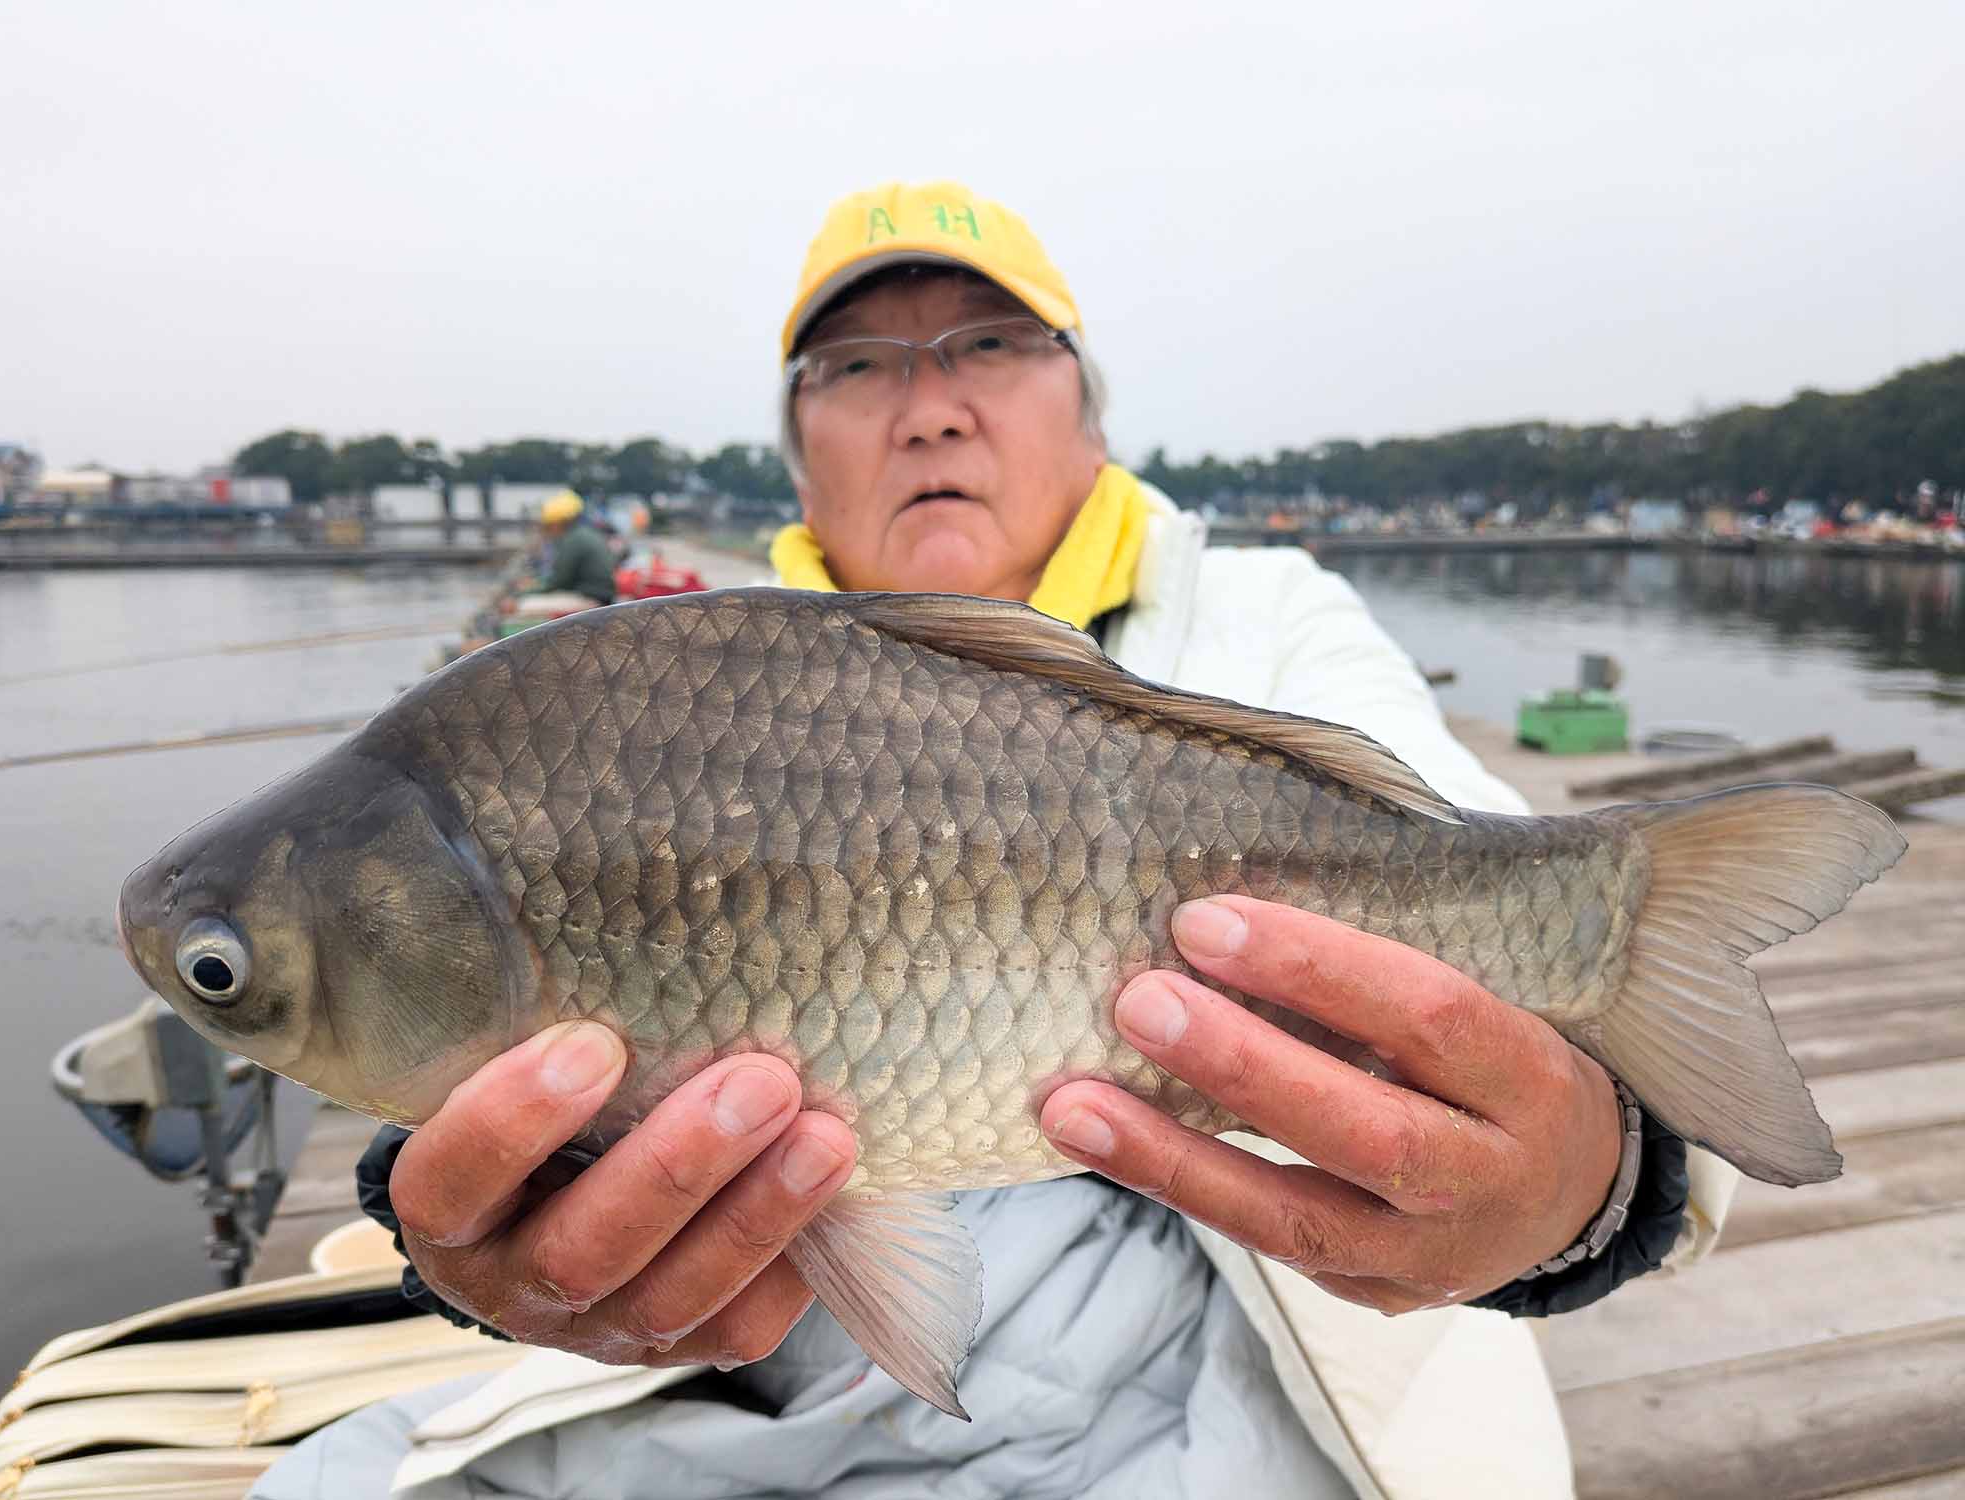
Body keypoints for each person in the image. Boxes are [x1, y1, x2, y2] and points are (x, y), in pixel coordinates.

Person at [252, 183, 1727, 1500]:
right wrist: (470, 1210)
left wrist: (1588, 1176)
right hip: (782, 1365)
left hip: (1250, 1368)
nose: (930, 406)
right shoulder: (655, 693)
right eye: (858, 366)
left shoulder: (1270, 619)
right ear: (799, 457)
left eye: (990, 346)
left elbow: (1467, 844)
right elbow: (517, 1031)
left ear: (1090, 415)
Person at [529, 488, 617, 605]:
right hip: (600, 595)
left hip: (593, 598)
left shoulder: (573, 541)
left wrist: (526, 592)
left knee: (526, 604)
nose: (547, 531)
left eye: (548, 526)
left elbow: (559, 581)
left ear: (558, 523)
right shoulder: (583, 533)